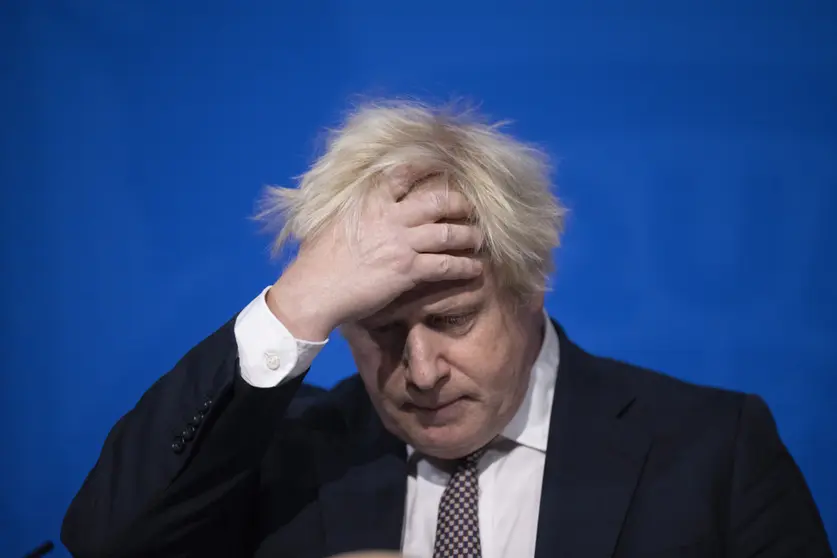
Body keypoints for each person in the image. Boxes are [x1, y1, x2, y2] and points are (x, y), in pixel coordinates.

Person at [61, 101, 832, 558]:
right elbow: (109, 542)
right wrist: (296, 302)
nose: (420, 370)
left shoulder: (711, 449)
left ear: (529, 287)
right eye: (378, 330)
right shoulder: (279, 455)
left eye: (453, 319)